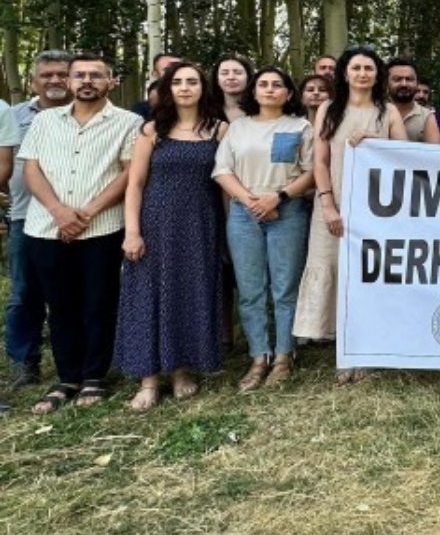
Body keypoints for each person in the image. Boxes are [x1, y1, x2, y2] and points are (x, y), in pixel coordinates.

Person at [21, 54, 142, 413]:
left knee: (98, 303)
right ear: (70, 81)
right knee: (59, 305)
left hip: (102, 227)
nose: (87, 81)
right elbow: (31, 169)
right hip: (46, 227)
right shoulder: (45, 120)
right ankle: (67, 377)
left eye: (96, 75)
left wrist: (87, 212)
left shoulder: (128, 122)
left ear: (110, 81)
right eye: (80, 75)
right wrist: (59, 211)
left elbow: (129, 173)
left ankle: (94, 375)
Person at [116, 62, 228, 411]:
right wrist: (132, 231)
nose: (185, 87)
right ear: (167, 89)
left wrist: (227, 231)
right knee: (148, 297)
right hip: (155, 224)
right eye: (177, 82)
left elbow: (224, 183)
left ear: (203, 88)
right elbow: (135, 184)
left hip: (199, 225)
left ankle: (181, 370)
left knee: (188, 294)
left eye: (192, 81)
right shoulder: (152, 130)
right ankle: (148, 380)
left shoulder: (219, 129)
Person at [295, 45, 407, 381]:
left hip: (377, 209)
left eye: (368, 68)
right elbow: (320, 161)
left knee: (368, 277)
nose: (362, 73)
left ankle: (367, 349)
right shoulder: (329, 109)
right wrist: (328, 204)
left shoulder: (388, 112)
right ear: (345, 73)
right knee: (334, 271)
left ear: (377, 74)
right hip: (334, 205)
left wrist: (375, 140)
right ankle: (344, 350)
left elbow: (406, 155)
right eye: (356, 68)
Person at [214, 67, 315, 392]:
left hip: (287, 211)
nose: (270, 89)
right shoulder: (238, 128)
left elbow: (312, 172)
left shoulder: (300, 126)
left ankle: (284, 356)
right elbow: (222, 170)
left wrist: (277, 197)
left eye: (277, 85)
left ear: (288, 93)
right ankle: (259, 356)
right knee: (250, 291)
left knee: (284, 288)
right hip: (244, 214)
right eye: (263, 84)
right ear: (254, 92)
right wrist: (251, 201)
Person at [0, 50, 72, 389]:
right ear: (32, 82)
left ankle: (79, 360)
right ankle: (24, 362)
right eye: (47, 75)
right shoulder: (13, 116)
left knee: (78, 293)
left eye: (62, 74)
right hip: (25, 217)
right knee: (24, 293)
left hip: (82, 219)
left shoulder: (92, 114)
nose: (55, 80)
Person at [386, 57, 430, 142]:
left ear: (417, 83)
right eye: (397, 79)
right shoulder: (375, 114)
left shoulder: (429, 118)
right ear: (386, 83)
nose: (404, 84)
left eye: (409, 79)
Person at [131, 53, 180, 119]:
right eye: (167, 70)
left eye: (179, 69)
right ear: (155, 74)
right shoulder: (142, 109)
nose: (174, 73)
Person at [213, 54, 254, 122]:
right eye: (224, 73)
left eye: (238, 73)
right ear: (216, 79)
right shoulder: (207, 111)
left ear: (248, 76)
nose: (231, 77)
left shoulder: (261, 109)